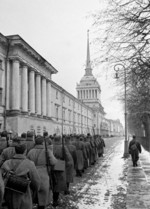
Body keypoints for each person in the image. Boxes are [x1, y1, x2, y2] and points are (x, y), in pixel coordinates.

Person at [1, 139, 40, 209]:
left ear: (15, 151)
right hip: (24, 196)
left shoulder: (6, 163)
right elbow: (36, 183)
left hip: (8, 196)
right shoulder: (30, 164)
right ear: (25, 151)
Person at [27, 135, 57, 209]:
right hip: (44, 172)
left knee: (34, 190)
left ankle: (36, 203)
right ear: (42, 143)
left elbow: (27, 163)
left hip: (32, 172)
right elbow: (53, 162)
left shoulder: (30, 151)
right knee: (44, 191)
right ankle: (41, 206)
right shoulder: (47, 151)